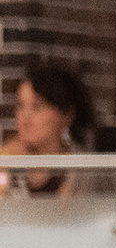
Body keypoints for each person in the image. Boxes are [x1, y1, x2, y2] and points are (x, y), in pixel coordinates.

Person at [1, 62, 106, 200]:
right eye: (20, 106)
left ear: (66, 115)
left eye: (37, 107)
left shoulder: (82, 171)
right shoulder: (6, 160)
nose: (25, 119)